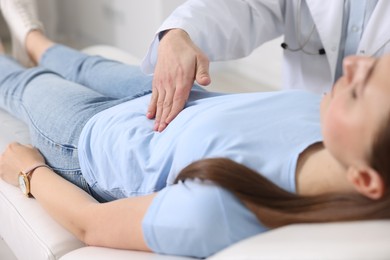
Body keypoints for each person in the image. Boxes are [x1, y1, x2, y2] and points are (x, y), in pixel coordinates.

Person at [0, 0, 390, 258]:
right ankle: (33, 36)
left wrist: (28, 172)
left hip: (91, 137)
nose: (354, 64)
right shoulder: (322, 118)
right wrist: (179, 35)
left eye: (358, 90)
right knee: (82, 64)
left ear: (366, 178)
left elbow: (91, 225)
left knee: (18, 85)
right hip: (169, 97)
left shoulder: (230, 206)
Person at [144, 0, 390, 132]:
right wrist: (179, 32)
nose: (353, 66)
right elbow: (242, 6)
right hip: (297, 125)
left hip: (371, 145)